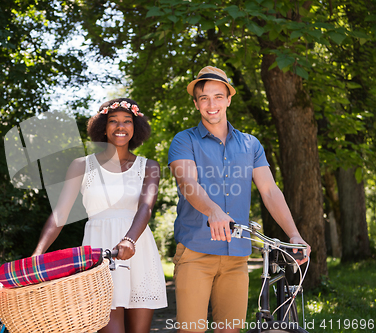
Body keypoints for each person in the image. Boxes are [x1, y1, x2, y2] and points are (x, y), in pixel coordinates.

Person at [167, 66, 311, 333]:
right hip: (195, 251)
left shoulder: (251, 144)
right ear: (196, 103)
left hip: (237, 257)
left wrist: (294, 234)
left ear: (229, 99)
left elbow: (269, 190)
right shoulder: (183, 140)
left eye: (218, 96)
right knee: (191, 330)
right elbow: (188, 183)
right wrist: (213, 210)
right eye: (205, 98)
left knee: (231, 330)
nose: (212, 104)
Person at [32, 98, 167, 333]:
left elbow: (145, 207)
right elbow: (60, 213)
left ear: (136, 128)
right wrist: (38, 253)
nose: (120, 126)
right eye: (113, 121)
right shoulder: (81, 166)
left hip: (138, 250)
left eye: (127, 121)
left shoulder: (149, 166)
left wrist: (129, 239)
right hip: (99, 257)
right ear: (103, 127)